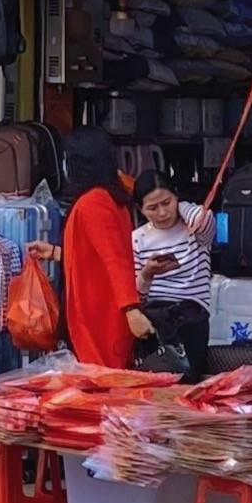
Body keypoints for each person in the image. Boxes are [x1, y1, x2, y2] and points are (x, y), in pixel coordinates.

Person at [58, 130, 142, 371]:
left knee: (103, 385)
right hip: (105, 312)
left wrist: (131, 308)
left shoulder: (94, 202)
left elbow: (115, 260)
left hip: (99, 315)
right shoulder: (111, 199)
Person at [128, 171, 215, 377]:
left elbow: (205, 218)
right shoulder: (137, 239)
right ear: (141, 209)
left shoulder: (195, 230)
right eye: (152, 208)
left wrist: (182, 205)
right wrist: (148, 274)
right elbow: (136, 295)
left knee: (188, 376)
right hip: (155, 315)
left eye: (167, 202)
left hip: (190, 312)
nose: (162, 213)